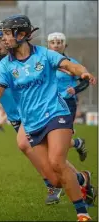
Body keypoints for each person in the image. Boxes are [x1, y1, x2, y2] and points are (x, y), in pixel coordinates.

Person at [0, 15, 96, 221]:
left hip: (55, 113)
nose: (3, 39)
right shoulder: (5, 66)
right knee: (55, 180)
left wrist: (83, 72)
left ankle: (82, 214)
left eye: (6, 34)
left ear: (21, 35)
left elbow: (70, 66)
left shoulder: (44, 55)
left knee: (56, 161)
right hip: (31, 123)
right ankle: (82, 177)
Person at [47, 32, 89, 161]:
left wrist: (75, 90)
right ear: (48, 45)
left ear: (65, 45)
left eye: (59, 43)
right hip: (47, 103)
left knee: (59, 141)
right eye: (53, 43)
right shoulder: (43, 64)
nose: (56, 45)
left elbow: (86, 80)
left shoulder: (72, 63)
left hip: (66, 103)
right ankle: (77, 143)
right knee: (47, 138)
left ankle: (62, 169)